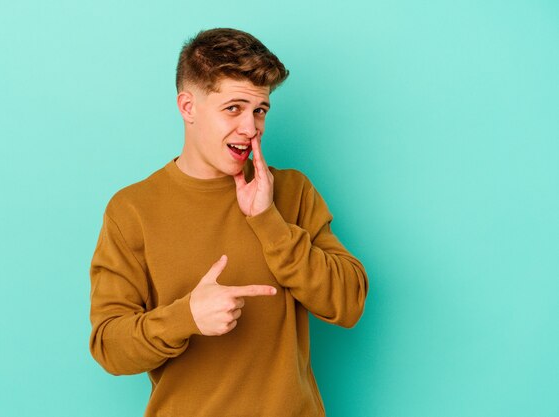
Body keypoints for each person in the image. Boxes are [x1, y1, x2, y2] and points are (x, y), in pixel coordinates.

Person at [89, 27, 369, 416]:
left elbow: (349, 302)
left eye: (260, 110)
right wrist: (186, 317)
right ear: (188, 107)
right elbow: (109, 347)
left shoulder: (291, 190)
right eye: (233, 108)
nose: (250, 128)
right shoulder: (131, 210)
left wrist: (269, 222)